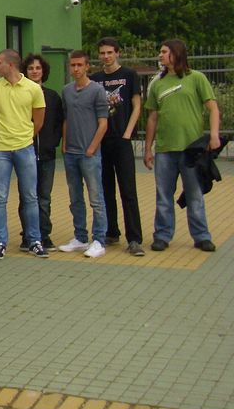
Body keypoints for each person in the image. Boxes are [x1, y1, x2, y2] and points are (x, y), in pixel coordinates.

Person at [144, 39, 220, 253]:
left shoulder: (196, 78)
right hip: (165, 150)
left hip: (191, 151)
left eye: (164, 51)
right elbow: (152, 118)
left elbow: (213, 108)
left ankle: (202, 236)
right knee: (163, 196)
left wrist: (214, 135)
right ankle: (162, 236)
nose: (160, 55)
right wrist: (148, 149)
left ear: (176, 54)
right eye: (160, 52)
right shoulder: (157, 84)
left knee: (194, 195)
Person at [0, 49, 48, 260]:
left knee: (30, 196)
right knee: (0, 197)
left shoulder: (33, 88)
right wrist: (0, 136)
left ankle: (34, 240)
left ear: (10, 64)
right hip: (0, 149)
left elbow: (38, 120)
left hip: (24, 147)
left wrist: (25, 136)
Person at [92, 38, 144, 255]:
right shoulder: (95, 79)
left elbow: (137, 105)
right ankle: (111, 232)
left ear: (117, 53)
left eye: (110, 52)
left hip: (122, 141)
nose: (106, 56)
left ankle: (134, 239)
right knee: (105, 189)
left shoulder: (129, 75)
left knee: (128, 190)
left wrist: (127, 133)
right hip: (102, 142)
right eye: (102, 53)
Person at [57, 51, 110, 259]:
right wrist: (64, 143)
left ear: (87, 66)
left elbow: (103, 123)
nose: (76, 69)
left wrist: (92, 148)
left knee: (96, 198)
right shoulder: (67, 90)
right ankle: (80, 237)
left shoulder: (97, 90)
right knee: (75, 197)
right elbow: (66, 118)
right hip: (70, 152)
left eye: (80, 65)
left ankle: (99, 240)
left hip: (89, 154)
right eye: (73, 65)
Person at [21, 53, 63, 251]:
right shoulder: (21, 94)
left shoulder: (53, 96)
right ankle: (27, 235)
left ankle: (44, 235)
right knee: (27, 196)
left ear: (43, 71)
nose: (34, 71)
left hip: (46, 155)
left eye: (38, 68)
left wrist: (53, 142)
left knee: (44, 197)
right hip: (25, 152)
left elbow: (59, 122)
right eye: (31, 68)